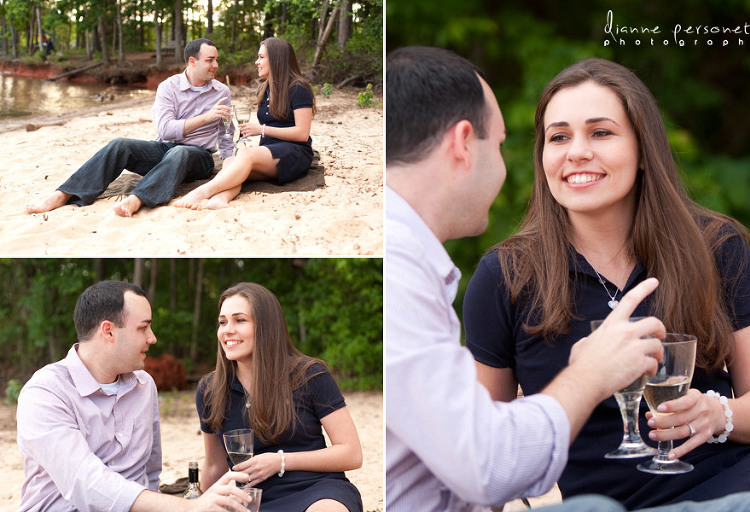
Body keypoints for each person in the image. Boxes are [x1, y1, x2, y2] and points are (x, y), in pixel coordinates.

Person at [463, 57, 750, 509]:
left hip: (736, 486)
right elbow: (485, 450)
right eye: (559, 136)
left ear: (644, 150)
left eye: (601, 132)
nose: (577, 152)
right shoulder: (504, 276)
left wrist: (719, 414)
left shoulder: (717, 246)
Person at [385, 45, 673, 512]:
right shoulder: (404, 267)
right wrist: (590, 373)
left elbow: (470, 456)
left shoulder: (408, 260)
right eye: (499, 145)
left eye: (601, 132)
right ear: (462, 144)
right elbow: (488, 465)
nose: (575, 153)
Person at [16, 280, 253, 512]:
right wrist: (188, 507)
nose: (152, 338)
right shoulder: (45, 393)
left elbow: (150, 472)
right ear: (108, 331)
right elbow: (85, 483)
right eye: (143, 328)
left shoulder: (144, 385)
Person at [195, 282, 363, 511]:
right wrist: (198, 505)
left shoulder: (310, 375)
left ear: (266, 326)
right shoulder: (210, 389)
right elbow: (215, 465)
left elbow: (351, 453)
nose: (227, 330)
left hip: (318, 491)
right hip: (250, 501)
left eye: (240, 320)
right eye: (222, 322)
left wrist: (280, 461)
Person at [26, 38, 235, 217]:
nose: (216, 65)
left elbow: (227, 134)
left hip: (199, 158)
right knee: (119, 144)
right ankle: (64, 194)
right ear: (192, 61)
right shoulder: (168, 87)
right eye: (210, 60)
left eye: (216, 59)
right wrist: (205, 117)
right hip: (164, 149)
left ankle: (138, 198)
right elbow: (165, 131)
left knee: (181, 152)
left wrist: (229, 165)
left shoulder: (221, 91)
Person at [175, 37, 315, 210]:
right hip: (269, 151)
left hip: (294, 151)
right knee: (232, 162)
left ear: (277, 58)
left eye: (261, 57)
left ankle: (202, 192)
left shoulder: (298, 88)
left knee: (246, 154)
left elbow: (302, 133)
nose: (257, 62)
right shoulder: (265, 88)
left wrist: (261, 129)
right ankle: (220, 199)